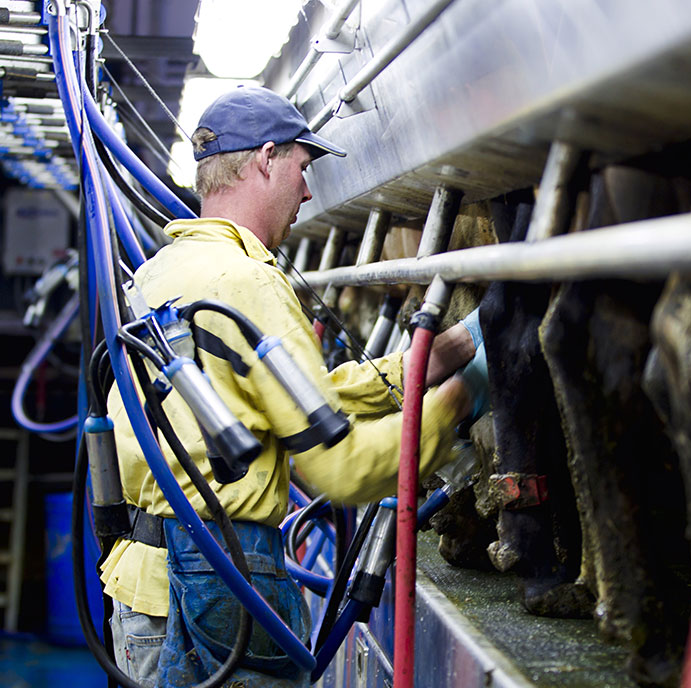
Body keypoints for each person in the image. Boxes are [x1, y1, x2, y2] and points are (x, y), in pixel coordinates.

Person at [100, 85, 487, 687]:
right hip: (220, 591)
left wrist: (427, 361)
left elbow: (275, 396)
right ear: (265, 159)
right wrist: (454, 403)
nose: (308, 191)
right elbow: (342, 471)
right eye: (303, 168)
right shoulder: (249, 281)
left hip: (142, 588)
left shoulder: (160, 272)